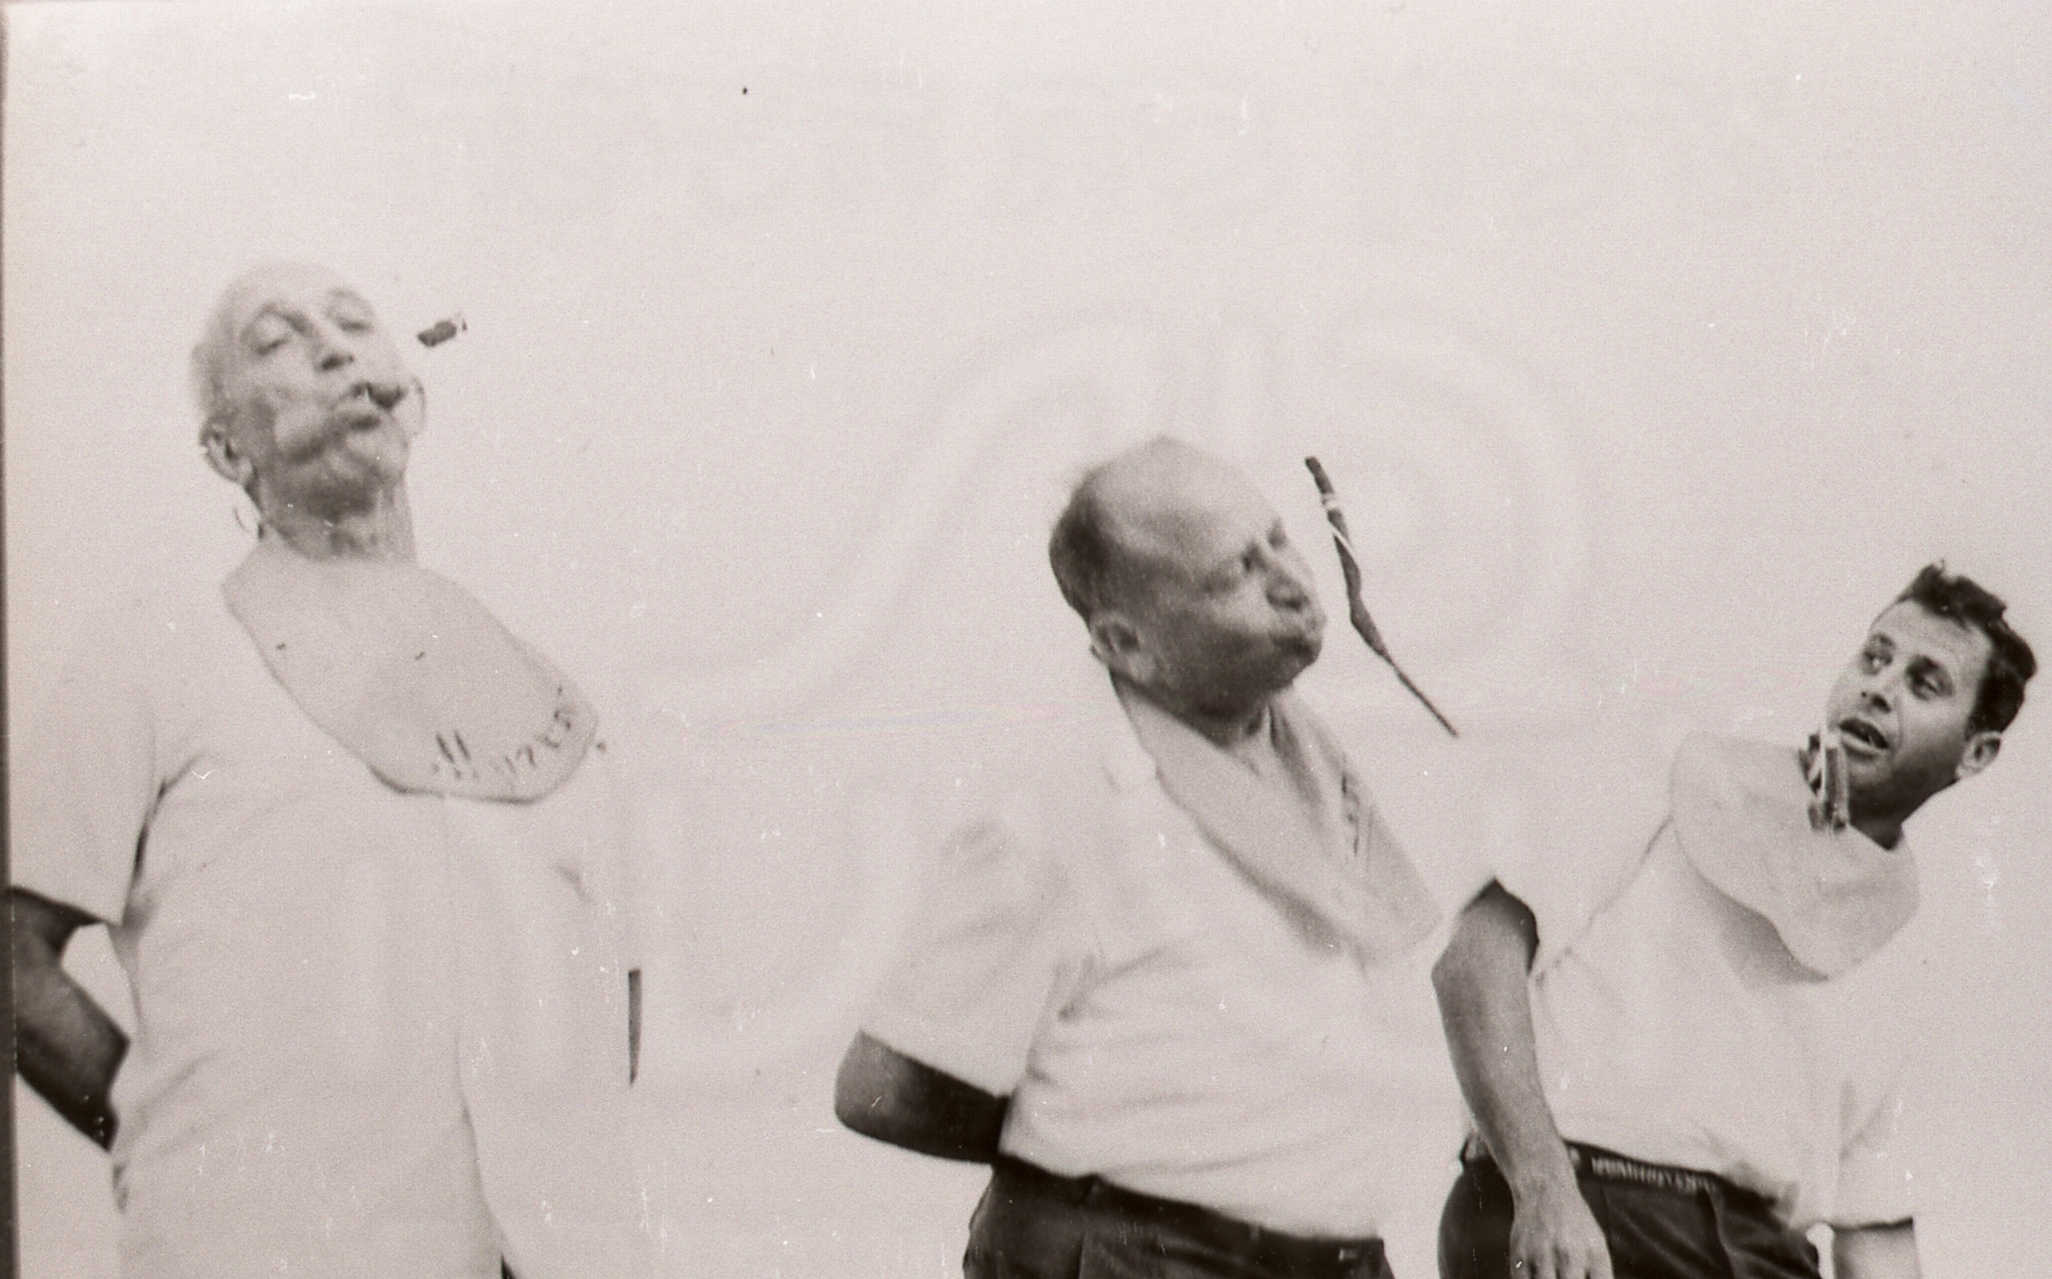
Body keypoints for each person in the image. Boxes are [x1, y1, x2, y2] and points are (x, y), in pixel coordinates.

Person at [10, 263, 647, 1278]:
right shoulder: (156, 654)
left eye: (354, 323)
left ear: (412, 393)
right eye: (277, 340)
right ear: (227, 448)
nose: (335, 347)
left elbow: (612, 1018)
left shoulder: (550, 694)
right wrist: (178, 1148)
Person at [834, 437, 1448, 1279]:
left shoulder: (1305, 756)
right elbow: (886, 1088)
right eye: (1232, 575)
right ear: (1127, 644)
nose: (1291, 583)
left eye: (1277, 539)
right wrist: (1100, 1153)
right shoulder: (1065, 801)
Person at [1432, 565, 2035, 1279]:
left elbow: (1874, 1224)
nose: (1879, 687)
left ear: (1975, 752)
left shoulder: (1910, 955)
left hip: (1762, 1252)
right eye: (1874, 657)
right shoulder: (1677, 774)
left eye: (1924, 683)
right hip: (1583, 1212)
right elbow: (1474, 961)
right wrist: (1542, 1189)